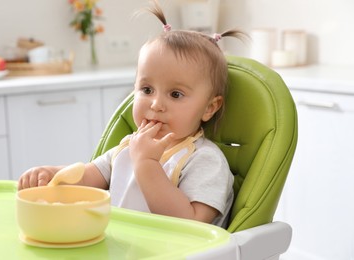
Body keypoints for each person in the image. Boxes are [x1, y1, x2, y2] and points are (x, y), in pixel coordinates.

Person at [18, 0, 244, 227]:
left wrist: (146, 163)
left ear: (209, 108)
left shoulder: (205, 161)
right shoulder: (129, 147)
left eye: (175, 94)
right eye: (147, 90)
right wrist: (52, 175)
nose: (156, 104)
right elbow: (88, 177)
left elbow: (193, 223)